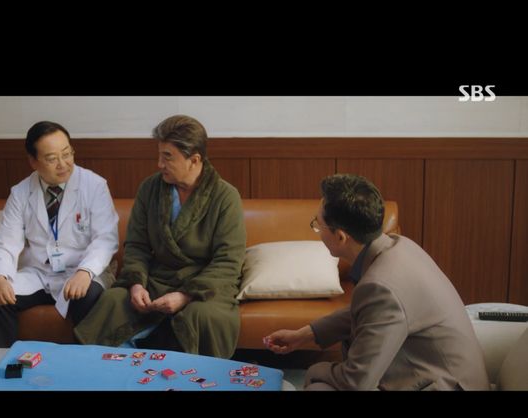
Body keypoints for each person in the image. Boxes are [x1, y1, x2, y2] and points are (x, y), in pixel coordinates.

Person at [265, 174, 489, 390]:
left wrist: (314, 370)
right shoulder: (400, 245)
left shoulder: (382, 286)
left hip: (446, 385)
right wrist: (304, 335)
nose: (317, 230)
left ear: (340, 237)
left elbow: (355, 382)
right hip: (441, 375)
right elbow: (366, 311)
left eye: (318, 224)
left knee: (319, 385)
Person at [73, 115, 246, 358]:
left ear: (194, 160)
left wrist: (185, 295)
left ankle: (182, 371)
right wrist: (136, 284)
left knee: (202, 316)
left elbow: (228, 261)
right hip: (157, 278)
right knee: (114, 300)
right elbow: (137, 245)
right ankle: (113, 368)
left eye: (168, 157)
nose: (159, 164)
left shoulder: (226, 197)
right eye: (159, 155)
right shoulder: (150, 188)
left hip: (205, 285)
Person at [0, 121, 119, 347]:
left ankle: (81, 361)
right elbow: (6, 241)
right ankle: (4, 360)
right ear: (33, 161)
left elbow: (105, 239)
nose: (63, 164)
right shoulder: (20, 192)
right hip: (40, 273)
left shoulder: (94, 185)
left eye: (67, 154)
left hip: (81, 270)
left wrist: (85, 272)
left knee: (89, 294)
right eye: (52, 158)